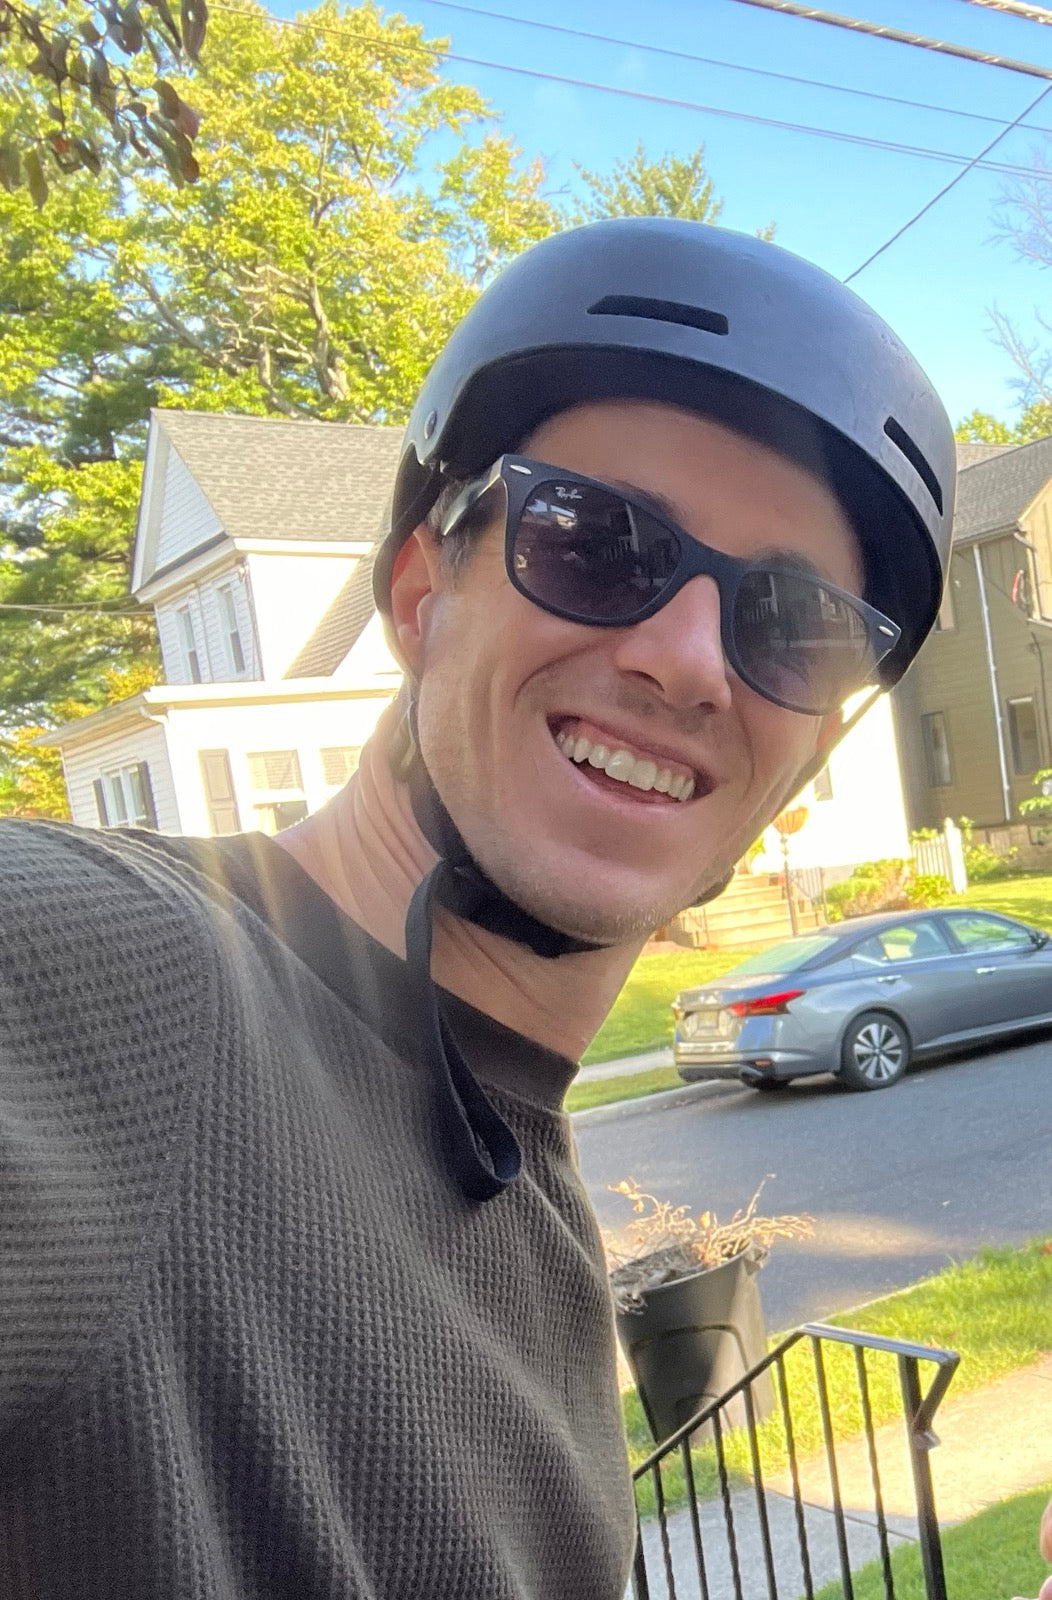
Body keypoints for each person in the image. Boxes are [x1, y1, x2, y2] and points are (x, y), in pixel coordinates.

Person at [0, 218, 955, 1598]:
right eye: (595, 540)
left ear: (809, 746)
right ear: (417, 591)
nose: (689, 660)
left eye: (790, 619)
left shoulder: (534, 1214)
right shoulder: (100, 976)